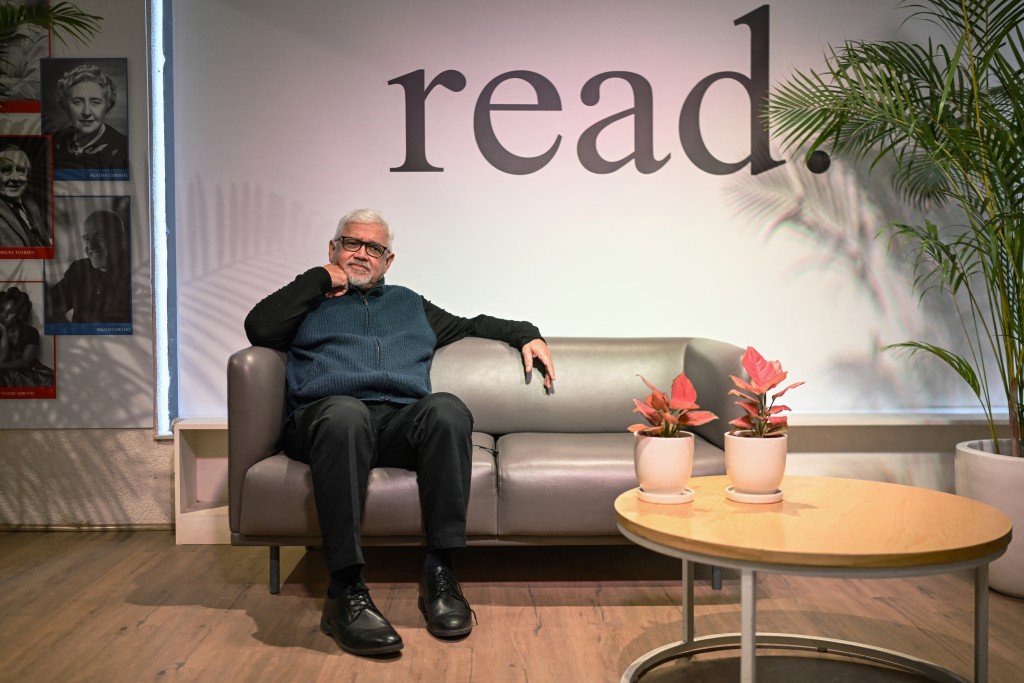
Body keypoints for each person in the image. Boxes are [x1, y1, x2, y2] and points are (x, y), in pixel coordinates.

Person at [244, 208, 555, 656]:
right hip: (325, 420)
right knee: (346, 415)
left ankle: (440, 574)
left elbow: (473, 325)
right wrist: (316, 279)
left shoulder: (409, 303)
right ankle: (345, 591)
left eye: (375, 248)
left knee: (447, 409)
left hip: (396, 422)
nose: (362, 254)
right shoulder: (307, 303)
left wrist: (527, 334)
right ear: (333, 249)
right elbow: (259, 328)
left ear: (388, 261)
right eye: (352, 243)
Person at [47, 210, 131, 324]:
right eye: (86, 239)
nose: (91, 246)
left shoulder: (135, 270)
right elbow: (48, 304)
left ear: (119, 237)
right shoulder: (78, 270)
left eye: (100, 236)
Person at [52, 64, 128, 172]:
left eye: (95, 102)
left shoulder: (123, 148)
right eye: (77, 102)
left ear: (108, 105)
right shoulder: (53, 143)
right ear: (65, 105)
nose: (87, 112)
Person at [0, 286, 54, 388]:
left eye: (10, 312)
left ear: (19, 314)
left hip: (28, 375)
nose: (4, 315)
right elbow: (3, 358)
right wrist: (4, 332)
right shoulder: (1, 332)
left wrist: (1, 366)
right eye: (1, 310)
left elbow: (26, 362)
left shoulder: (31, 332)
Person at [0, 144, 49, 248]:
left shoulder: (32, 205)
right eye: (6, 170)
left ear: (28, 176)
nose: (15, 178)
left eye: (20, 170)